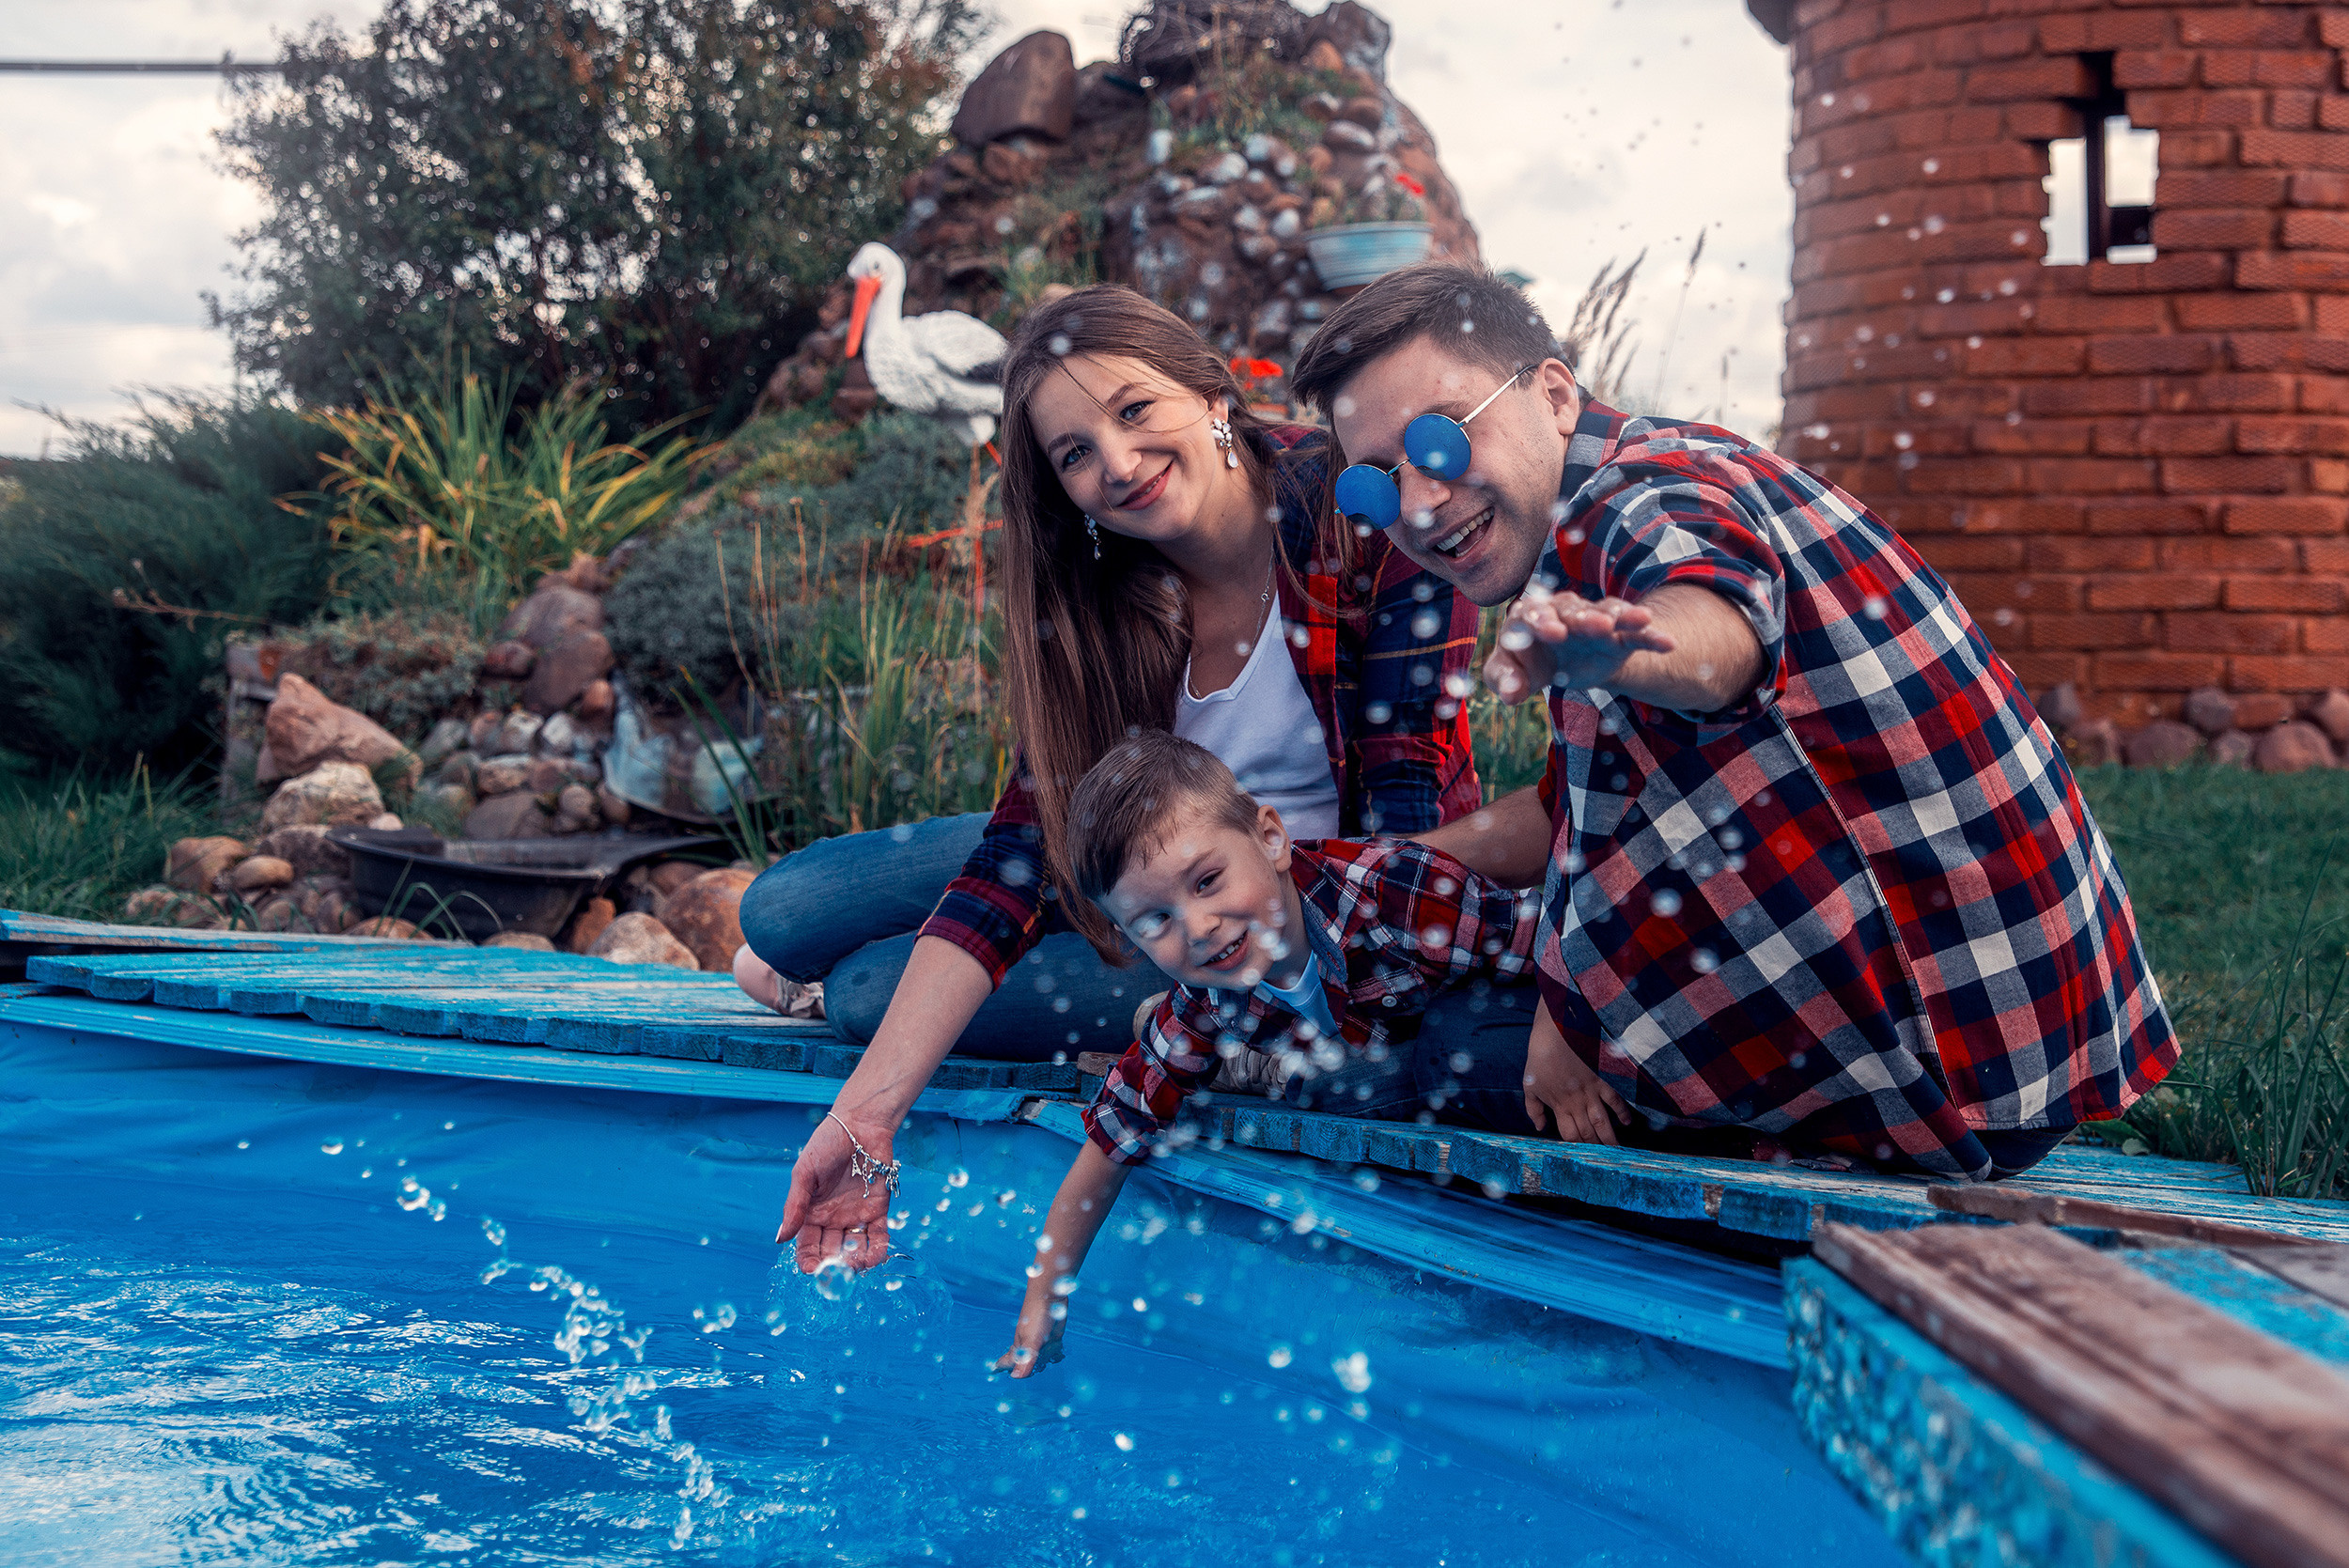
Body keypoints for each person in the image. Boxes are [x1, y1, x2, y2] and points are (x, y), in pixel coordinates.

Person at [1288, 262, 2177, 1182]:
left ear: (1553, 393)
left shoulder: (1641, 498)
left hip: (1945, 1082)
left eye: (1439, 442)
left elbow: (1712, 636)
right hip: (2005, 1048)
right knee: (1429, 946)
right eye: (1375, 487)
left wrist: (1622, 654)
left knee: (1431, 1044)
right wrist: (1363, 865)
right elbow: (1569, 814)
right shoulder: (1626, 493)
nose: (1419, 506)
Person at [755, 285, 1503, 1273]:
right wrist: (861, 1119)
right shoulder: (1103, 594)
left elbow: (1409, 799)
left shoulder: (1358, 512)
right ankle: (786, 971)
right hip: (1115, 865)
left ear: (1211, 394)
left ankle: (819, 990)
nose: (1115, 462)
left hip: (1240, 920)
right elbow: (1025, 851)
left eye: (1134, 410)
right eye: (1073, 452)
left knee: (863, 994)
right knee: (781, 906)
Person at [993, 731, 1544, 1376]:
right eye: (1155, 922)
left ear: (1271, 840)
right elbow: (1116, 1127)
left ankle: (1262, 1062)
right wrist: (1043, 1301)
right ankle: (1259, 1057)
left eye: (1207, 880)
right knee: (1328, 1085)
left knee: (1397, 1065)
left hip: (1500, 1023)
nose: (1198, 927)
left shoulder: (1396, 889)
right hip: (1364, 1050)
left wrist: (1561, 1042)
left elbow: (1553, 941)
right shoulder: (1204, 994)